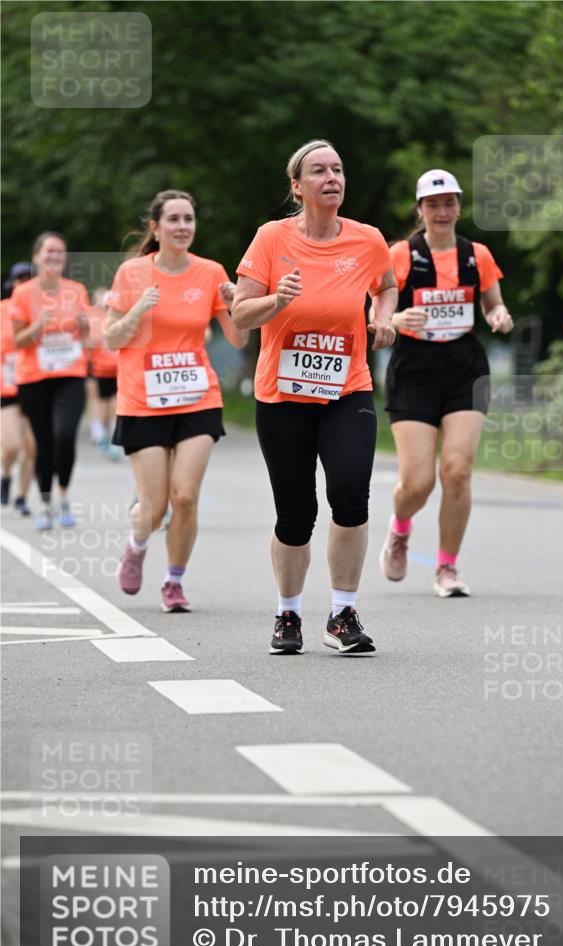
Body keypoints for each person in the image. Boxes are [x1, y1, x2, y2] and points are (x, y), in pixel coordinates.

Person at [232, 139, 397, 655]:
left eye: (339, 170)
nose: (332, 178)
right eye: (319, 171)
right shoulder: (271, 238)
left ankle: (343, 613)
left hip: (348, 388)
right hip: (282, 395)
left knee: (351, 493)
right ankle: (288, 614)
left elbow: (386, 284)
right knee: (295, 513)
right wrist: (274, 301)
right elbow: (240, 314)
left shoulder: (368, 240)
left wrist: (383, 315)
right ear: (297, 186)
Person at [105, 189, 247, 612]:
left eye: (189, 218)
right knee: (154, 506)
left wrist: (236, 304)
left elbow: (239, 339)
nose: (183, 226)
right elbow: (111, 338)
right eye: (174, 219)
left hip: (196, 395)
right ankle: (137, 543)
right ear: (155, 227)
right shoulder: (132, 274)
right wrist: (137, 312)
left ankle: (173, 582)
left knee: (185, 496)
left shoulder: (209, 272)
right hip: (143, 400)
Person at [379, 169, 513, 597]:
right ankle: (400, 529)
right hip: (414, 369)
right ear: (420, 209)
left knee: (456, 471)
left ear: (459, 207)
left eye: (449, 202)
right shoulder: (399, 254)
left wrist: (498, 316)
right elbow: (374, 315)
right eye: (432, 204)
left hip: (464, 366)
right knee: (418, 482)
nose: (442, 211)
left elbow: (494, 304)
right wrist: (397, 319)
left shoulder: (477, 254)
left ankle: (446, 567)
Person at [10, 233, 90, 530]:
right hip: (35, 378)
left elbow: (89, 339)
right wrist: (37, 328)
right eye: (49, 252)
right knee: (43, 443)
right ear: (36, 257)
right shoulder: (23, 294)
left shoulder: (76, 290)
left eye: (60, 252)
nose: (55, 257)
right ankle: (45, 504)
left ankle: (64, 495)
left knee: (65, 435)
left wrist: (83, 327)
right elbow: (17, 341)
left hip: (70, 375)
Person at [1, 262, 36, 514]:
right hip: (8, 387)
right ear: (11, 284)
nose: (23, 284)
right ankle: (5, 474)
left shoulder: (43, 311)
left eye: (28, 279)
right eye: (19, 280)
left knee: (33, 446)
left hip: (35, 383)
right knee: (12, 444)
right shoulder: (2, 310)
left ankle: (22, 496)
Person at [86, 287, 121, 458]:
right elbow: (89, 341)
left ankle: (114, 440)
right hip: (99, 369)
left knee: (116, 406)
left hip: (118, 369)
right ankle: (101, 434)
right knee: (102, 407)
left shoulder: (118, 314)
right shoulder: (93, 316)